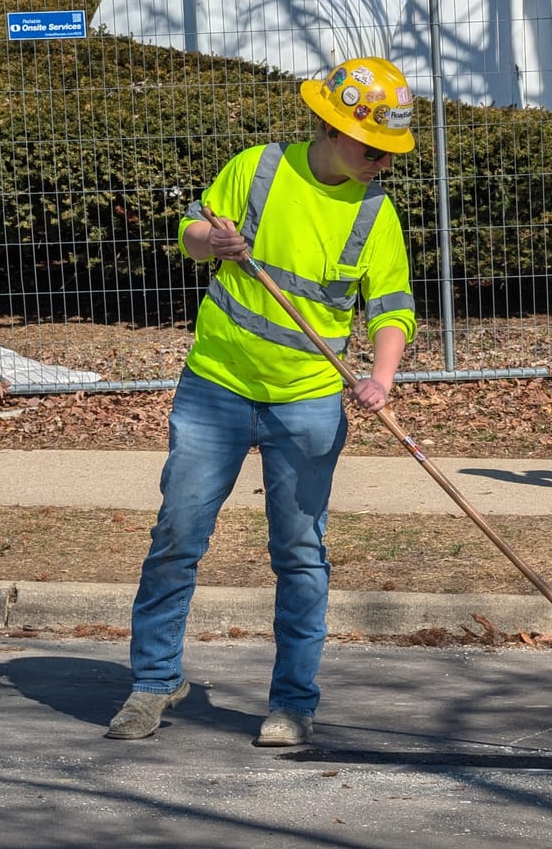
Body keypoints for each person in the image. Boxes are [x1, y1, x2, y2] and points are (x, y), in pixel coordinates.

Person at [106, 57, 419, 746]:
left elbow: (392, 306)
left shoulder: (376, 213)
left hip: (307, 402)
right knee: (177, 538)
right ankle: (153, 684)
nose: (380, 164)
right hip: (216, 386)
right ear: (334, 129)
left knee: (300, 554)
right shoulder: (259, 168)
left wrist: (381, 377)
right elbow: (190, 234)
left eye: (391, 155)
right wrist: (209, 240)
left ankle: (293, 704)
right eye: (373, 149)